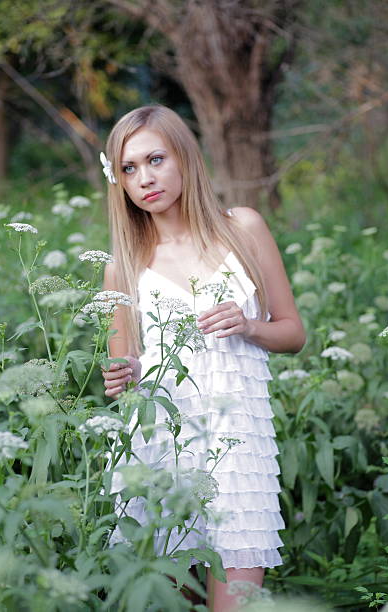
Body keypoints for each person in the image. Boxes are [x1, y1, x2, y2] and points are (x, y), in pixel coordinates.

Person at [101, 105, 306, 612]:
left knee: (234, 602)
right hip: (161, 452)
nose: (144, 178)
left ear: (184, 158)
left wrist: (249, 325)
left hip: (239, 453)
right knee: (172, 602)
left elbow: (294, 333)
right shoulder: (122, 267)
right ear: (119, 181)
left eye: (155, 159)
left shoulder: (243, 228)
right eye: (129, 169)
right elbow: (124, 381)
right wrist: (118, 376)